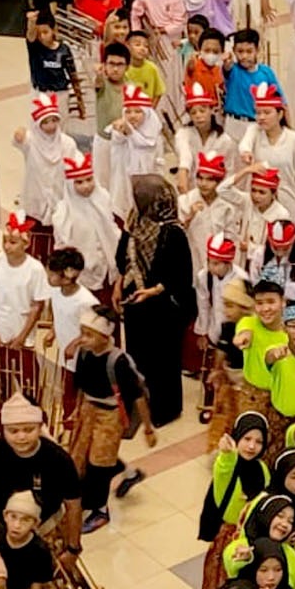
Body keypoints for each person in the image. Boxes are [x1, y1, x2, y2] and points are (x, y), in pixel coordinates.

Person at [116, 175, 197, 426]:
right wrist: (120, 285)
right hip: (135, 303)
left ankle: (164, 410)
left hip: (162, 309)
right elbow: (122, 259)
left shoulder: (173, 232)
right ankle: (138, 408)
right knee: (136, 356)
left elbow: (181, 275)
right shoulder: (134, 223)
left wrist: (152, 291)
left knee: (163, 361)